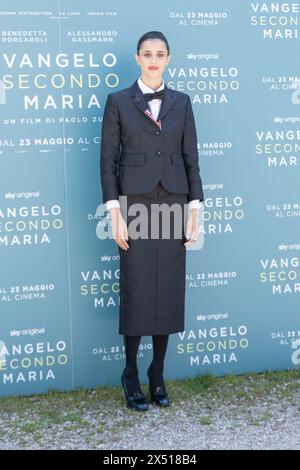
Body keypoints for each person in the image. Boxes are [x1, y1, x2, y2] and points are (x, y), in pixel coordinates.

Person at [100, 31, 204, 411]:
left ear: (169, 59)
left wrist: (195, 211)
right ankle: (130, 373)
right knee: (138, 287)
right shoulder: (118, 102)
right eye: (148, 54)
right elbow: (107, 162)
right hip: (136, 204)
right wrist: (115, 213)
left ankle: (157, 373)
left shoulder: (182, 103)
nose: (154, 59)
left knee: (168, 290)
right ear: (137, 58)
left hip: (173, 201)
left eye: (160, 54)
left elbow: (191, 158)